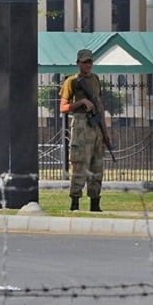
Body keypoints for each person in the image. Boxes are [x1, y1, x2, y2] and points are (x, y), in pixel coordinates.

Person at [59, 49, 111, 212]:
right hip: (81, 125)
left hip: (96, 126)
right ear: (78, 63)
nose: (88, 65)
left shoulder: (95, 79)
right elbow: (63, 107)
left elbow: (99, 105)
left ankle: (95, 203)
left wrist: (105, 131)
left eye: (90, 62)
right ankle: (75, 202)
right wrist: (81, 102)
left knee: (97, 166)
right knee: (80, 164)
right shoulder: (72, 81)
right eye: (84, 62)